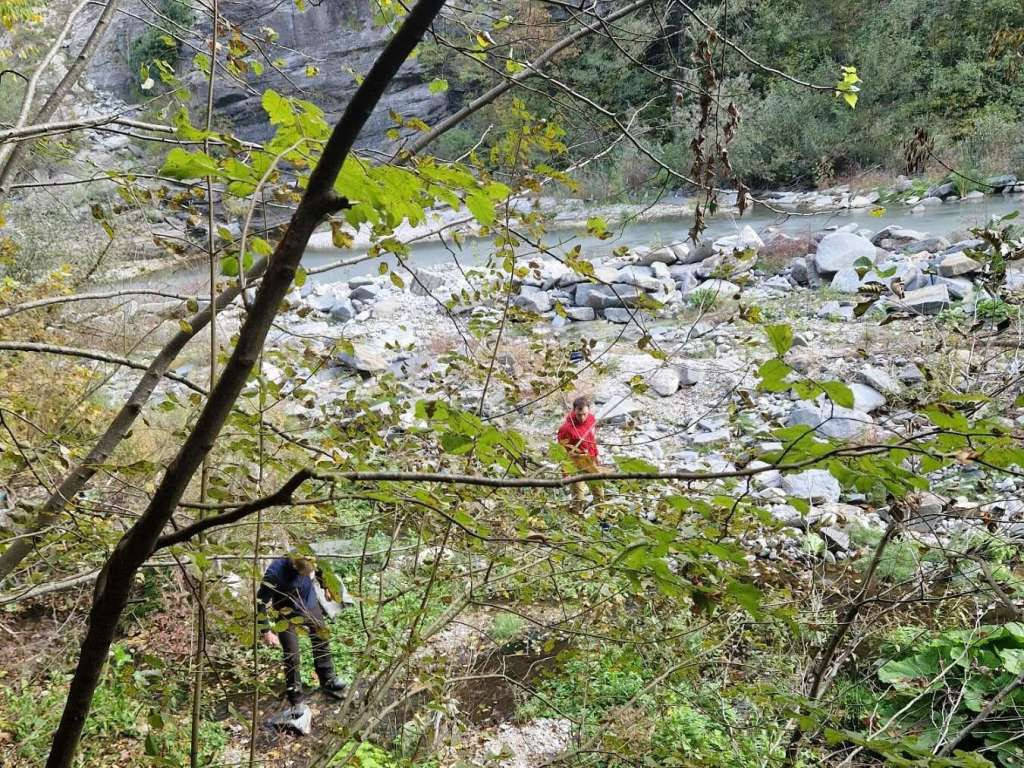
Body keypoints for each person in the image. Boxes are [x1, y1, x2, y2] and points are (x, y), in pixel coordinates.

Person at [257, 554, 346, 706]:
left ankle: (328, 679)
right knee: (292, 655)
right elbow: (260, 601)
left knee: (322, 638)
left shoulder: (309, 554)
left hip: (309, 603)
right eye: (304, 574)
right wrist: (266, 630)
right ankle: (296, 698)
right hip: (285, 613)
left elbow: (322, 569)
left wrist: (326, 587)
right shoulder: (274, 572)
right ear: (294, 567)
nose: (308, 576)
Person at [557, 395, 605, 510]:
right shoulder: (567, 428)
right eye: (579, 415)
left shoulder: (591, 419)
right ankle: (577, 521)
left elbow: (591, 438)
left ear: (588, 411)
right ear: (574, 411)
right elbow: (562, 451)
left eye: (585, 414)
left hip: (590, 460)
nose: (582, 418)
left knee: (599, 491)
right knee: (578, 498)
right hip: (576, 463)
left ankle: (602, 519)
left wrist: (596, 454)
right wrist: (565, 472)